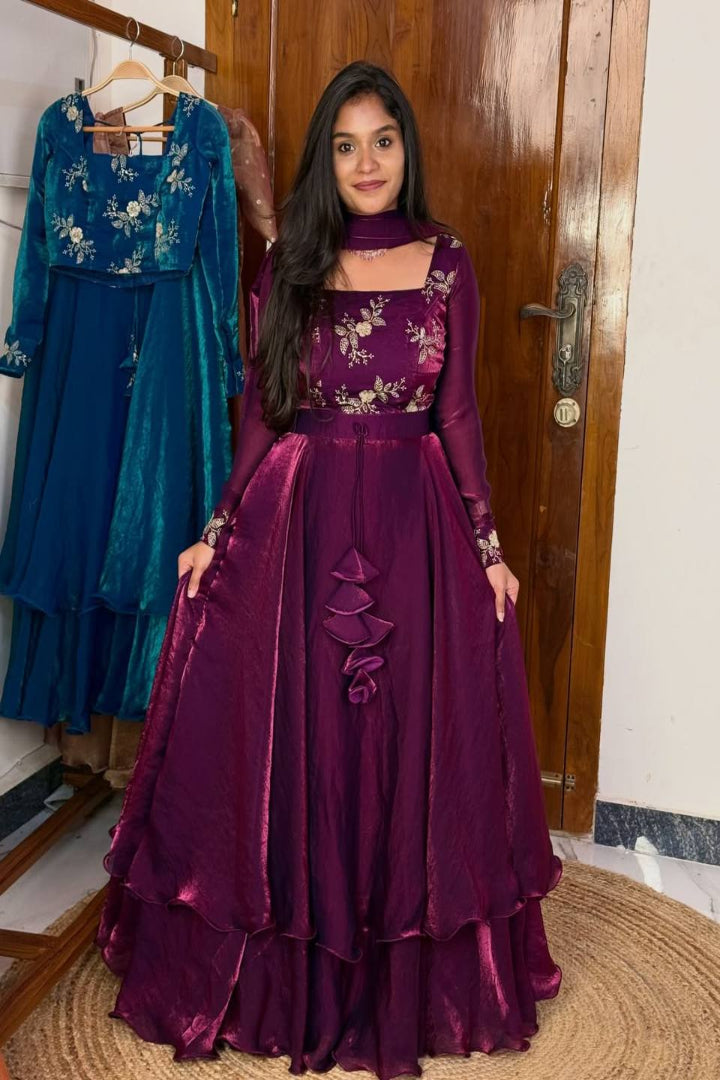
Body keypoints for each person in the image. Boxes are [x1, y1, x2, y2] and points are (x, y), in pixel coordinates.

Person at [96, 60, 563, 1079]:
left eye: (382, 140)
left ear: (407, 149)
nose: (365, 161)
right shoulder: (292, 264)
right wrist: (219, 527)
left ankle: (396, 970)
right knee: (299, 734)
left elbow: (461, 414)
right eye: (345, 144)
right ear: (326, 159)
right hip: (297, 523)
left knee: (401, 737)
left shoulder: (448, 263)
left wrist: (488, 548)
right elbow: (263, 409)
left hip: (416, 523)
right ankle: (290, 976)